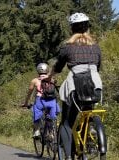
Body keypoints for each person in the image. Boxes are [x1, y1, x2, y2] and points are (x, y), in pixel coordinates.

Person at [46, 13, 103, 159]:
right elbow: (98, 67)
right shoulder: (96, 48)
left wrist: (49, 77)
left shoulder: (68, 47)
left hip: (75, 88)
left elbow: (58, 67)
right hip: (94, 86)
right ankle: (85, 146)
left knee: (66, 122)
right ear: (87, 27)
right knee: (86, 114)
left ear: (72, 29)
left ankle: (69, 155)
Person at [22, 63, 60, 137]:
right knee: (53, 115)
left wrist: (26, 103)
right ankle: (52, 132)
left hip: (40, 100)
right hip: (51, 100)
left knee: (36, 111)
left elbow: (29, 93)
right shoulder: (52, 79)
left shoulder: (35, 80)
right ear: (47, 70)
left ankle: (36, 131)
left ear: (38, 70)